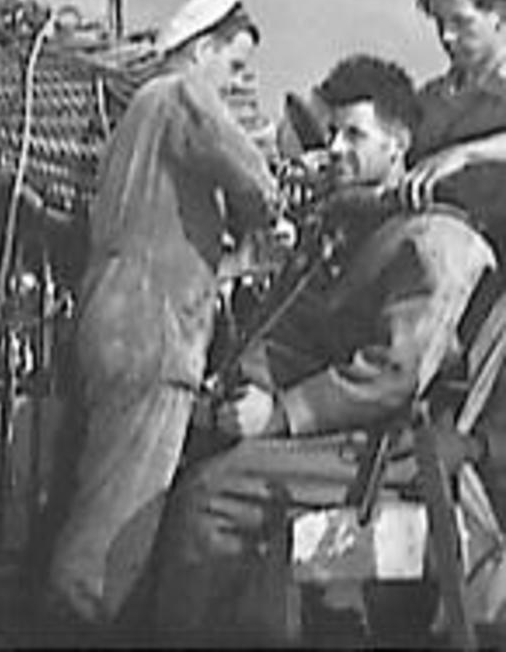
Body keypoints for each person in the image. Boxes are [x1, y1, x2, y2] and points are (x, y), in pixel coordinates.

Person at [153, 53, 496, 646]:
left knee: (212, 497)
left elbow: (394, 374)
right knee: (181, 454)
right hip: (344, 436)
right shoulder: (354, 230)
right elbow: (297, 331)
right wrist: (249, 386)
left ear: (398, 145)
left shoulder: (436, 240)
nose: (335, 148)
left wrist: (278, 416)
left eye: (354, 135)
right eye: (334, 133)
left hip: (397, 448)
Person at [46, 0, 278, 628]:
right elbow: (251, 174)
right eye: (233, 64)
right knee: (122, 520)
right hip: (152, 333)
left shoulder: (142, 110)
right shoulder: (180, 96)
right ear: (201, 50)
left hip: (117, 319)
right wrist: (267, 213)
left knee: (98, 489)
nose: (236, 83)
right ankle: (79, 627)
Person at [406, 0, 506, 258]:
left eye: (462, 22)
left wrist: (466, 154)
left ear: (498, 15)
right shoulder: (429, 101)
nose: (447, 37)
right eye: (440, 24)